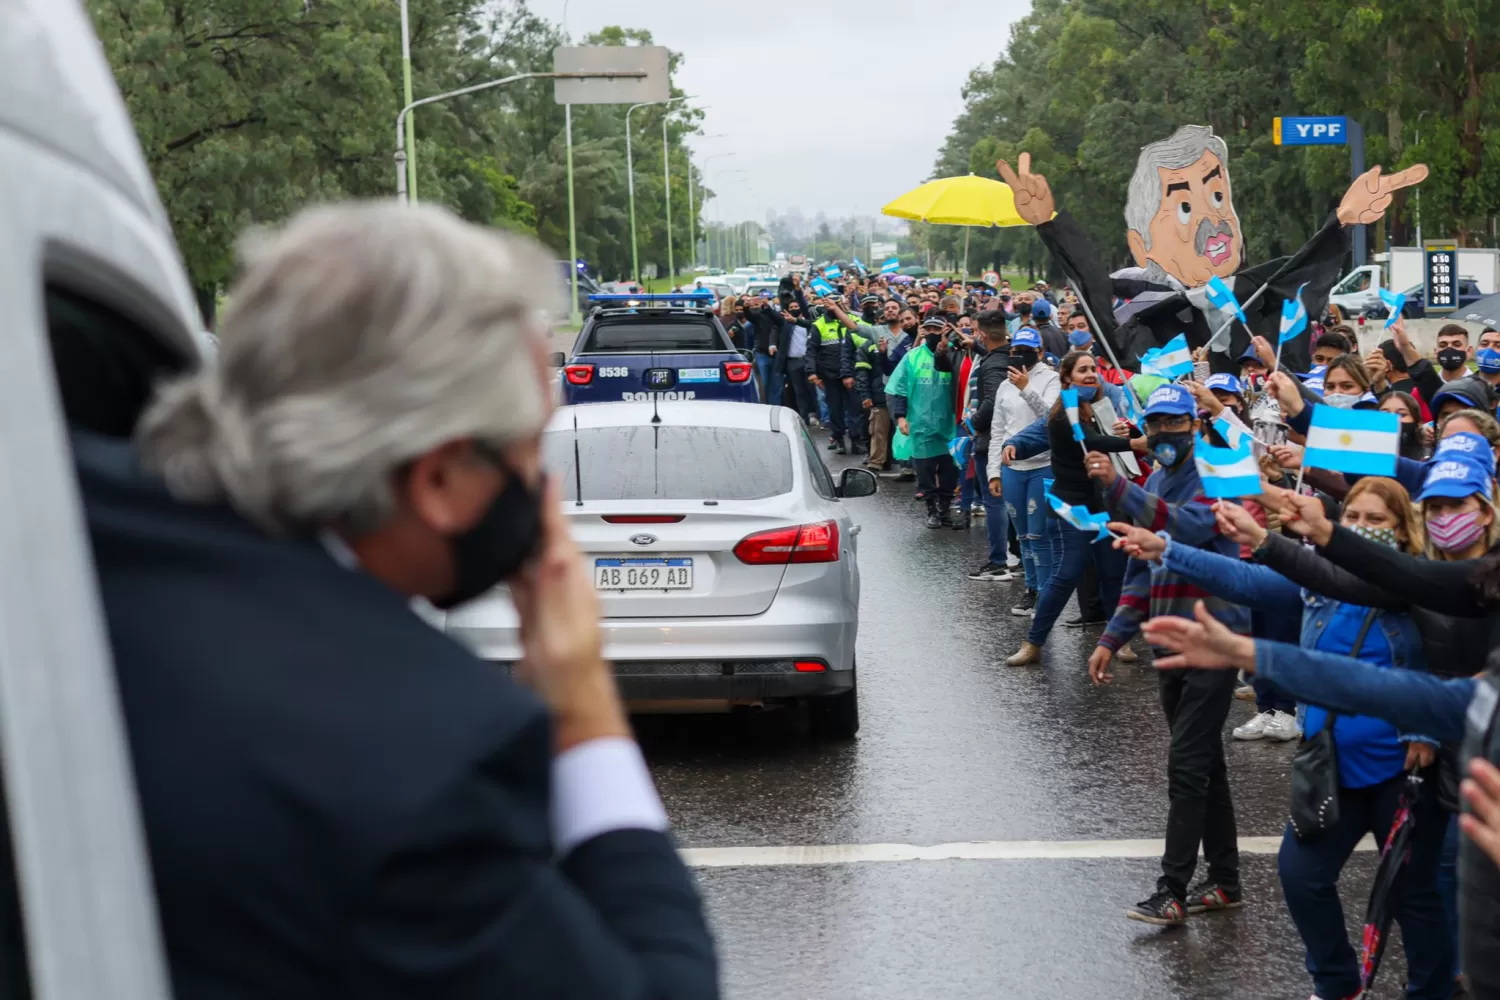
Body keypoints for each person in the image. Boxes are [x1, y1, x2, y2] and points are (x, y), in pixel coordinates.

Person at [98, 203, 719, 998]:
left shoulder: (56, 506)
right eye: (533, 453)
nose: (542, 494)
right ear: (436, 480)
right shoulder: (424, 755)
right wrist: (585, 707)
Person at [1115, 483, 1453, 995]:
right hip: (1331, 763)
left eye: (1378, 519)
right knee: (1300, 878)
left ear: (1404, 529)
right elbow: (1247, 578)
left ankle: (1431, 990)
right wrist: (1168, 549)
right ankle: (1337, 984)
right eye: (1355, 514)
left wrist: (1425, 728)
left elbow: (1446, 660)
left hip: (1400, 768)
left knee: (1413, 897)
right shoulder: (1320, 583)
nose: (1364, 525)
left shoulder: (1420, 586)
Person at [1002, 351, 1133, 659]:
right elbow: (1048, 433)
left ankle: (1119, 639)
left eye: (1094, 369)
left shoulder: (1104, 406)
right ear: (1067, 379)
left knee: (1113, 571)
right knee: (1068, 572)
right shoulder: (1064, 412)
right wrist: (1016, 443)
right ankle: (1033, 644)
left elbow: (1121, 432)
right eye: (1083, 370)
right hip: (1074, 507)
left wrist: (1130, 432)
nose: (1091, 375)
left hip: (1104, 503)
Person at [985, 327, 1061, 606]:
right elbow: (998, 431)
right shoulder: (1005, 385)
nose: (1020, 356)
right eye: (1015, 351)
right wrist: (993, 472)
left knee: (1039, 532)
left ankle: (1045, 591)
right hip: (1012, 468)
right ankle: (1031, 589)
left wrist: (1026, 388)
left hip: (1043, 465)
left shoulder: (1052, 379)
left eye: (1026, 351)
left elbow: (1051, 417)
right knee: (1022, 535)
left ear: (1040, 352)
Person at [888, 315, 958, 527]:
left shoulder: (955, 353)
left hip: (950, 424)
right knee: (925, 470)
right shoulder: (912, 357)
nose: (933, 333)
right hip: (921, 423)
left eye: (937, 328)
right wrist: (901, 417)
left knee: (950, 469)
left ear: (944, 329)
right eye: (929, 328)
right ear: (923, 330)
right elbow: (900, 389)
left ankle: (945, 509)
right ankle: (932, 510)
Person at [968, 311, 1015, 577]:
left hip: (992, 439)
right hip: (1004, 436)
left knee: (994, 500)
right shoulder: (1006, 355)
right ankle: (1016, 558)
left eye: (976, 332)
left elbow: (994, 398)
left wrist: (974, 421)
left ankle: (998, 562)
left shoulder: (992, 363)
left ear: (983, 334)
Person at [810, 298, 857, 453]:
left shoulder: (849, 320)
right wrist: (812, 372)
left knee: (855, 408)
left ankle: (857, 440)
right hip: (830, 374)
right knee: (835, 409)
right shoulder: (818, 325)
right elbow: (811, 350)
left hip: (851, 372)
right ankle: (839, 439)